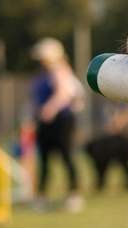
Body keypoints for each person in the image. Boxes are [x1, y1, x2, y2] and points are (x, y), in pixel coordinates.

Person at [30, 36, 86, 212]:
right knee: (45, 160)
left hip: (60, 122)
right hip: (46, 123)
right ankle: (41, 197)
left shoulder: (60, 70)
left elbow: (66, 94)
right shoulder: (44, 73)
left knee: (66, 157)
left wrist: (49, 109)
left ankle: (73, 196)